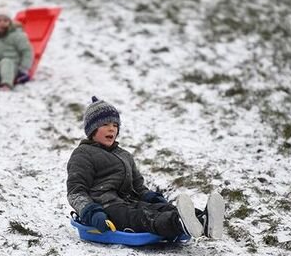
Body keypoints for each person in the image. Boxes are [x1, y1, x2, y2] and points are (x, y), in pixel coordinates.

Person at [66, 96, 225, 239]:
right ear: (92, 129)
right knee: (143, 217)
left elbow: (137, 186)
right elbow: (76, 191)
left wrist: (150, 197)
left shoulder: (124, 155)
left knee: (162, 208)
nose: (112, 129)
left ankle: (203, 220)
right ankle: (179, 223)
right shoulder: (83, 154)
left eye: (115, 125)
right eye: (105, 124)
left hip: (131, 201)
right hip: (107, 208)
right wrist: (91, 212)